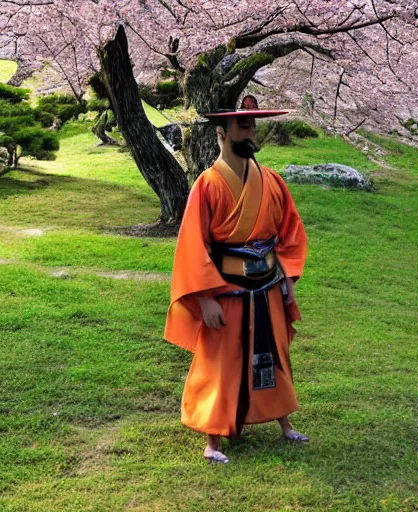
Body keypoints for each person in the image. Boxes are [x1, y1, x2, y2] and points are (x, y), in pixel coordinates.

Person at [163, 95, 309, 464]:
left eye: (253, 125)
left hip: (268, 286)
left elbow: (291, 231)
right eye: (243, 126)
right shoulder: (208, 184)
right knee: (221, 361)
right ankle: (213, 440)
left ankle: (284, 423)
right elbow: (193, 246)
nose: (251, 131)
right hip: (225, 290)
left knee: (273, 354)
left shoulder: (272, 181)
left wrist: (288, 276)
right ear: (221, 134)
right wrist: (205, 298)